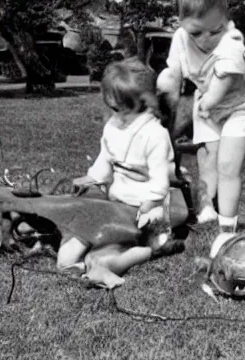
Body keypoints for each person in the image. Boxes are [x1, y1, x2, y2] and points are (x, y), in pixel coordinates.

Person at [156, 0, 245, 256]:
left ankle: (227, 231)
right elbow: (174, 72)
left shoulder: (231, 41)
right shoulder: (181, 38)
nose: (205, 39)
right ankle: (207, 207)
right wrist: (166, 90)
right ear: (181, 24)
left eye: (213, 31)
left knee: (228, 166)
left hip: (235, 107)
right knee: (207, 159)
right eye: (196, 32)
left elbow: (221, 86)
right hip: (207, 106)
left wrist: (208, 103)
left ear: (224, 20)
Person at [68, 58, 187, 287]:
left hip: (152, 204)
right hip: (119, 201)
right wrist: (93, 177)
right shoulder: (113, 126)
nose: (117, 116)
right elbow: (105, 159)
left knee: (111, 249)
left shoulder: (154, 134)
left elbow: (160, 184)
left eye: (123, 109)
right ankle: (92, 258)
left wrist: (146, 208)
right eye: (113, 108)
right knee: (85, 239)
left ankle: (148, 251)